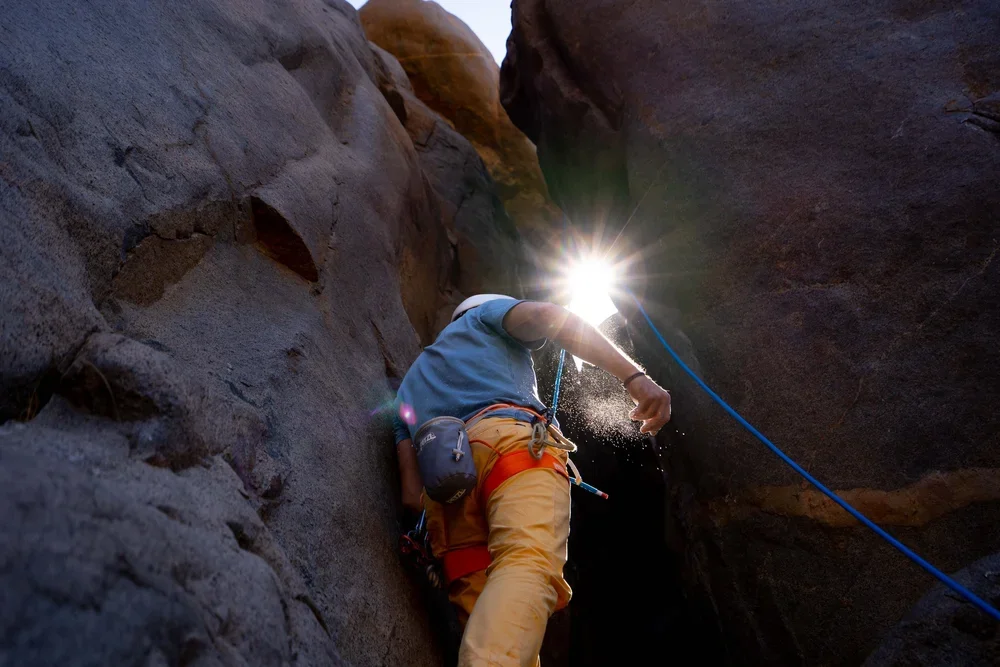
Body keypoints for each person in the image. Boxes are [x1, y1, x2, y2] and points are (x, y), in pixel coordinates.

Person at [393, 294, 671, 666]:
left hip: (447, 500)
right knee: (528, 561)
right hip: (511, 450)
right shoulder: (484, 318)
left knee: (493, 623)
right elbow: (546, 315)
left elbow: (411, 495)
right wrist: (634, 377)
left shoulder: (408, 387)